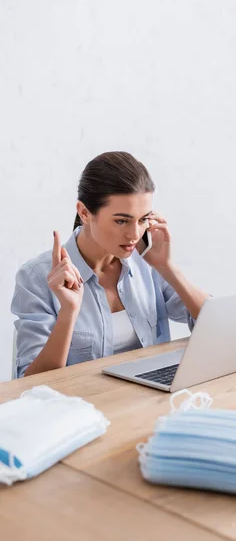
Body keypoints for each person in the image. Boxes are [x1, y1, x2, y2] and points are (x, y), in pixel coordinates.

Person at [11, 151, 209, 378]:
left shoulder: (148, 262)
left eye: (143, 219)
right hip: (82, 407)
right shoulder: (36, 278)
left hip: (151, 401)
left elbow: (216, 326)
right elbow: (29, 381)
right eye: (121, 221)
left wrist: (168, 268)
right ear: (84, 213)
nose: (134, 234)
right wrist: (68, 312)